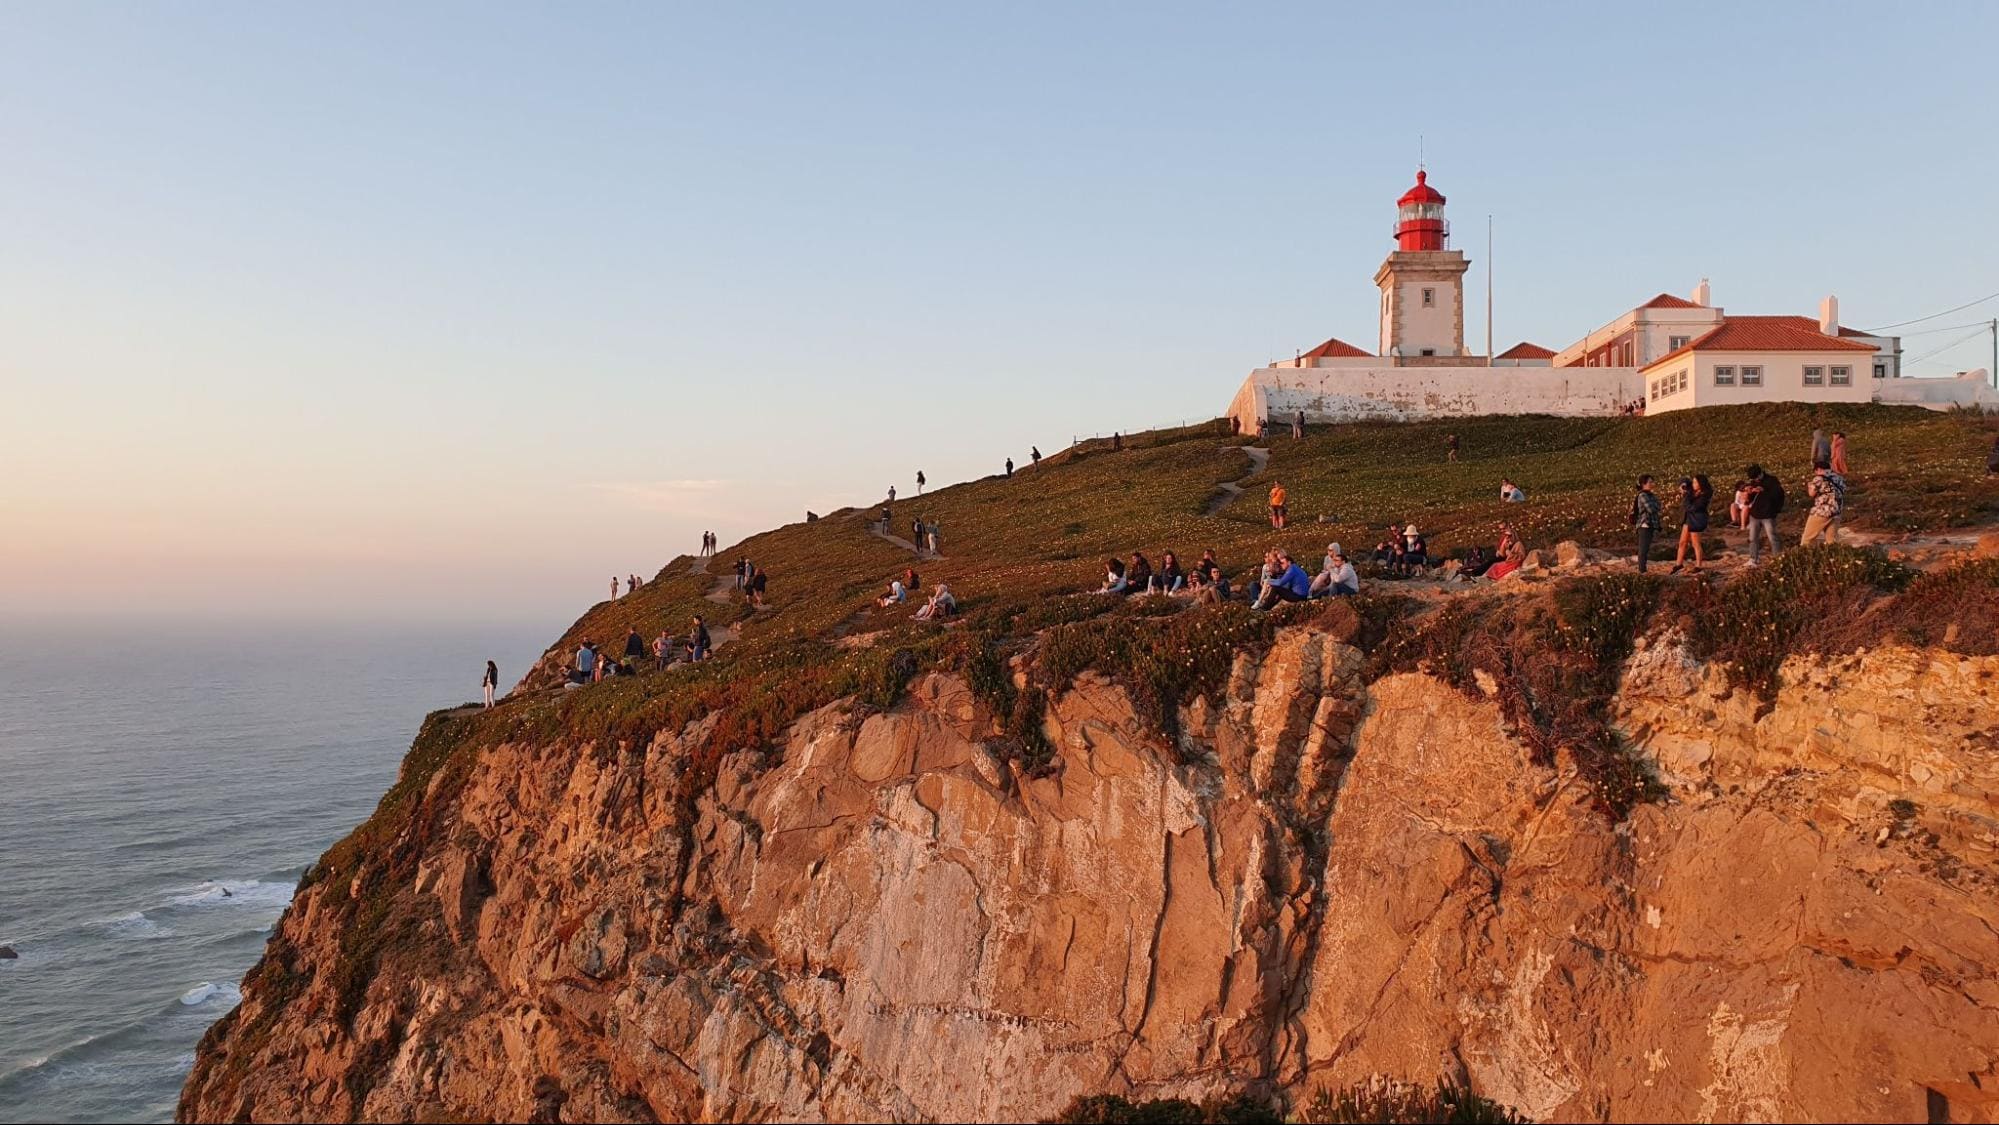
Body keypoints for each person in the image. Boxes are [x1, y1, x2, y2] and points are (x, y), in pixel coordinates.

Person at [1743, 463, 1785, 565]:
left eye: (1756, 478)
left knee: (1772, 537)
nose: (1755, 480)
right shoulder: (1753, 482)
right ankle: (1753, 559)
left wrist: (1764, 491)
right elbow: (1749, 500)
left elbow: (1779, 495)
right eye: (1753, 479)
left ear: (1760, 473)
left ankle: (1777, 559)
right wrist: (1749, 493)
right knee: (1752, 538)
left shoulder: (1772, 480)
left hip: (1768, 514)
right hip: (1755, 514)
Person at [1669, 475, 1712, 574]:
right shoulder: (1693, 490)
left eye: (1695, 482)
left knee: (1695, 543)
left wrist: (1686, 495)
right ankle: (1678, 564)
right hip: (1688, 519)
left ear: (1701, 484)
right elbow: (1685, 481)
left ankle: (1698, 565)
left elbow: (1692, 507)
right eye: (1693, 482)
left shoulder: (1705, 495)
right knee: (1682, 542)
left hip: (1696, 520)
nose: (1693, 484)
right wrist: (1683, 484)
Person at [1801, 460, 1847, 545]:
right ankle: (1835, 557)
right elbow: (1843, 490)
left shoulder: (1818, 478)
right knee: (1832, 541)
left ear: (1818, 469)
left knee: (1807, 538)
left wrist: (1809, 486)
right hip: (1837, 511)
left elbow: (1812, 494)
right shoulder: (1838, 477)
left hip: (1822, 511)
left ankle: (1803, 556)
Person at [1629, 475, 1661, 573]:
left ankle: (1643, 569)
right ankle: (1642, 570)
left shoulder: (1650, 495)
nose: (1652, 484)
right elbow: (1652, 509)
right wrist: (1655, 505)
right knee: (1643, 549)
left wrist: (1655, 505)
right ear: (1643, 484)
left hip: (1650, 524)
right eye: (1650, 482)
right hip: (1644, 524)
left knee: (1645, 548)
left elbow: (1658, 506)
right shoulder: (1643, 495)